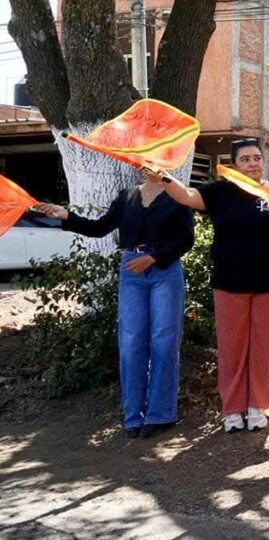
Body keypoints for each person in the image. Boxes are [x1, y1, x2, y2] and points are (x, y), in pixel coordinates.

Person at [156, 138, 269, 434]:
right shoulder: (219, 192)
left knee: (267, 345)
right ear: (233, 164)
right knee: (232, 346)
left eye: (257, 158)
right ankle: (233, 410)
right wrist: (162, 177)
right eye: (245, 159)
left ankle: (257, 406)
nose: (252, 163)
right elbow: (185, 196)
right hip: (229, 282)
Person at [38, 172, 194, 439]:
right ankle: (133, 415)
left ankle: (161, 414)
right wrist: (66, 216)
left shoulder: (178, 195)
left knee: (164, 341)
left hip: (165, 271)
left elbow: (186, 239)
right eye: (143, 158)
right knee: (131, 341)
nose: (148, 165)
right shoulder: (127, 196)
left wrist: (155, 257)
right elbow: (100, 227)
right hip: (131, 270)